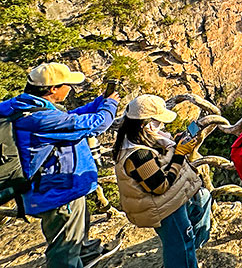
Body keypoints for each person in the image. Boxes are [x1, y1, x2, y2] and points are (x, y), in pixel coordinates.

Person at [0, 62, 119, 268]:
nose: (70, 89)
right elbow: (95, 124)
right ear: (53, 89)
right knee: (63, 250)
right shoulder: (40, 119)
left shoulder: (23, 105)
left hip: (59, 184)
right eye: (68, 85)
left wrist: (100, 101)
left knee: (76, 230)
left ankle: (85, 252)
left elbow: (71, 116)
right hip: (57, 191)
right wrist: (110, 105)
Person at [112, 95, 211, 268]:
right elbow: (161, 186)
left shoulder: (139, 138)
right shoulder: (138, 155)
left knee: (201, 200)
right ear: (146, 125)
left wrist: (176, 144)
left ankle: (189, 252)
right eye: (159, 122)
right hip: (162, 207)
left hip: (167, 201)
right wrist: (179, 154)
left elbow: (160, 162)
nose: (163, 126)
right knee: (181, 245)